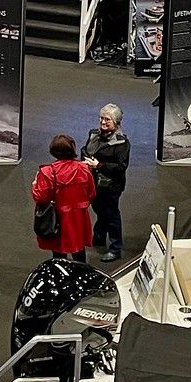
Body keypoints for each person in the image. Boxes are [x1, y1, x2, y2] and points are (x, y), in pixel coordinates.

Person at [30, 134, 98, 264]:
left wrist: (34, 185)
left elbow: (40, 197)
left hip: (58, 218)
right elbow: (92, 193)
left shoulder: (47, 172)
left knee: (58, 251)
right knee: (79, 249)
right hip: (79, 217)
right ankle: (82, 274)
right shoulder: (83, 169)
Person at [81, 104, 131, 262]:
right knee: (99, 209)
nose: (102, 122)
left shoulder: (122, 143)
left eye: (107, 119)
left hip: (111, 186)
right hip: (93, 182)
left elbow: (121, 167)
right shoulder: (93, 134)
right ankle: (99, 236)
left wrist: (99, 165)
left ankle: (115, 248)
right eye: (101, 118)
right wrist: (86, 160)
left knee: (111, 214)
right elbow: (85, 150)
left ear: (116, 123)